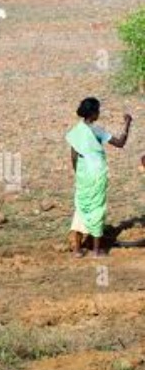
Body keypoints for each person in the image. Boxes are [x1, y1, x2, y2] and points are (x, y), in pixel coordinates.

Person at [65, 98, 133, 257]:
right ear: (94, 113)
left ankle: (77, 250)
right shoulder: (97, 131)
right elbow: (120, 143)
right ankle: (96, 250)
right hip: (97, 174)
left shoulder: (76, 131)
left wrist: (79, 174)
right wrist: (127, 124)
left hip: (83, 174)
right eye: (98, 111)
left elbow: (74, 156)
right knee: (97, 208)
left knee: (81, 208)